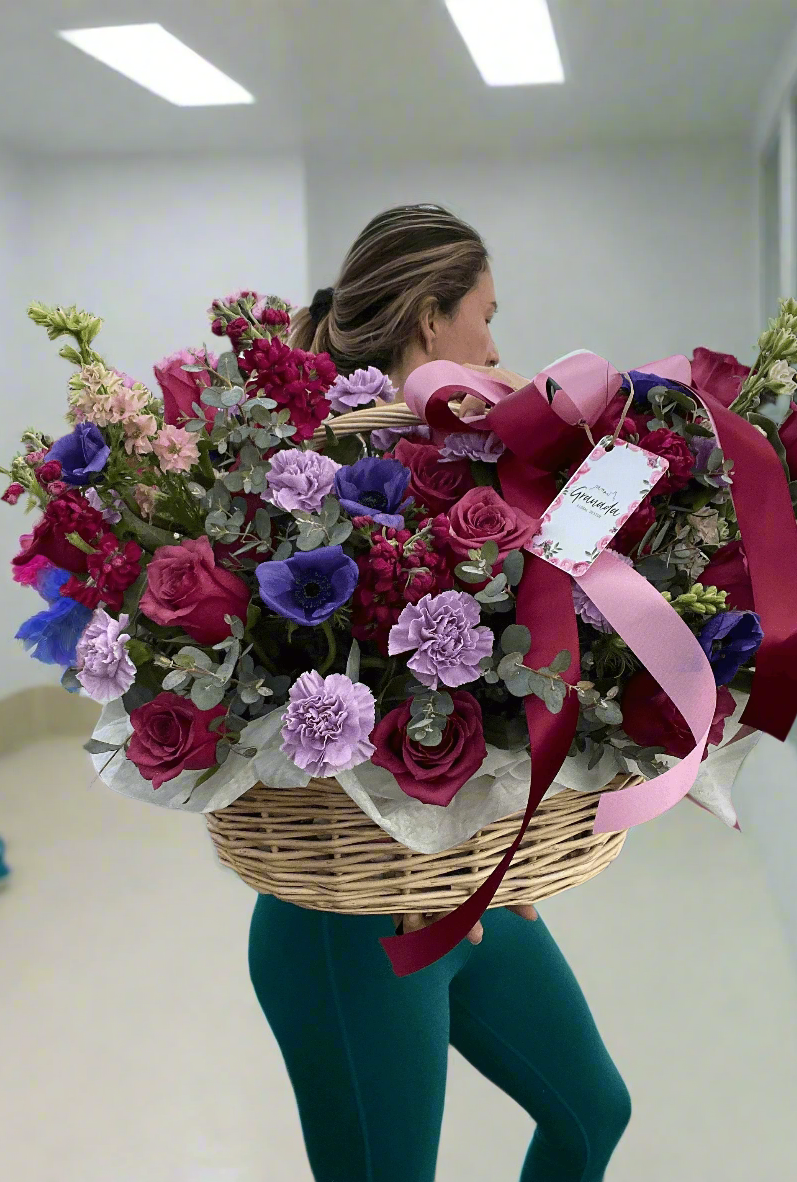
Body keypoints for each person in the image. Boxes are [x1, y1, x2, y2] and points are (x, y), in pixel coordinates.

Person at [247, 204, 631, 1182]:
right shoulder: (312, 485)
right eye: (485, 313)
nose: (496, 342)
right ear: (429, 320)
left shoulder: (466, 475)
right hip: (349, 929)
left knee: (592, 1112)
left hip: (466, 893)